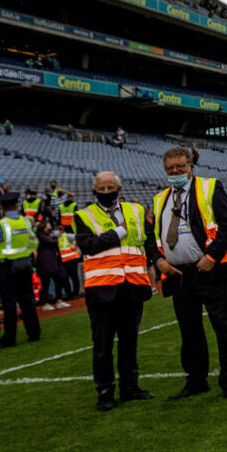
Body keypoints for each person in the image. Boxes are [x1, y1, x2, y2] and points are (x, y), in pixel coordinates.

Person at [151, 146, 227, 400]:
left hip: (208, 271)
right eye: (170, 168)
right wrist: (158, 260)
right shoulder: (160, 199)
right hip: (178, 275)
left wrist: (211, 256)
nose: (175, 171)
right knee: (189, 330)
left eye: (180, 166)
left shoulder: (210, 187)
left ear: (190, 165)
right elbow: (152, 237)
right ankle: (196, 380)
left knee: (223, 326)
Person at [75, 170, 158, 411]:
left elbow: (148, 241)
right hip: (102, 289)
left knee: (129, 341)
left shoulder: (137, 211)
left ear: (119, 190)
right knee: (102, 345)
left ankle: (130, 387)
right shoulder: (83, 216)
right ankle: (105, 391)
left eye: (109, 187)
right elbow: (88, 245)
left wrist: (159, 262)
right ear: (94, 191)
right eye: (101, 189)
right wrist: (118, 232)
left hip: (132, 286)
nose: (106, 192)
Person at [0, 190, 41, 348]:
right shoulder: (26, 222)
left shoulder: (0, 224)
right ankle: (34, 333)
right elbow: (32, 240)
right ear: (16, 205)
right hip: (25, 265)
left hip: (7, 267)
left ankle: (9, 338)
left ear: (1, 207)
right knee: (27, 300)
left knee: (9, 303)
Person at [34, 219, 70, 310]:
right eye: (48, 224)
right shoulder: (40, 236)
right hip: (45, 262)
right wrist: (53, 237)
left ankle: (59, 300)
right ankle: (45, 303)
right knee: (46, 283)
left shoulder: (46, 235)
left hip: (52, 262)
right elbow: (52, 242)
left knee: (58, 280)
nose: (50, 226)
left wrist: (52, 237)